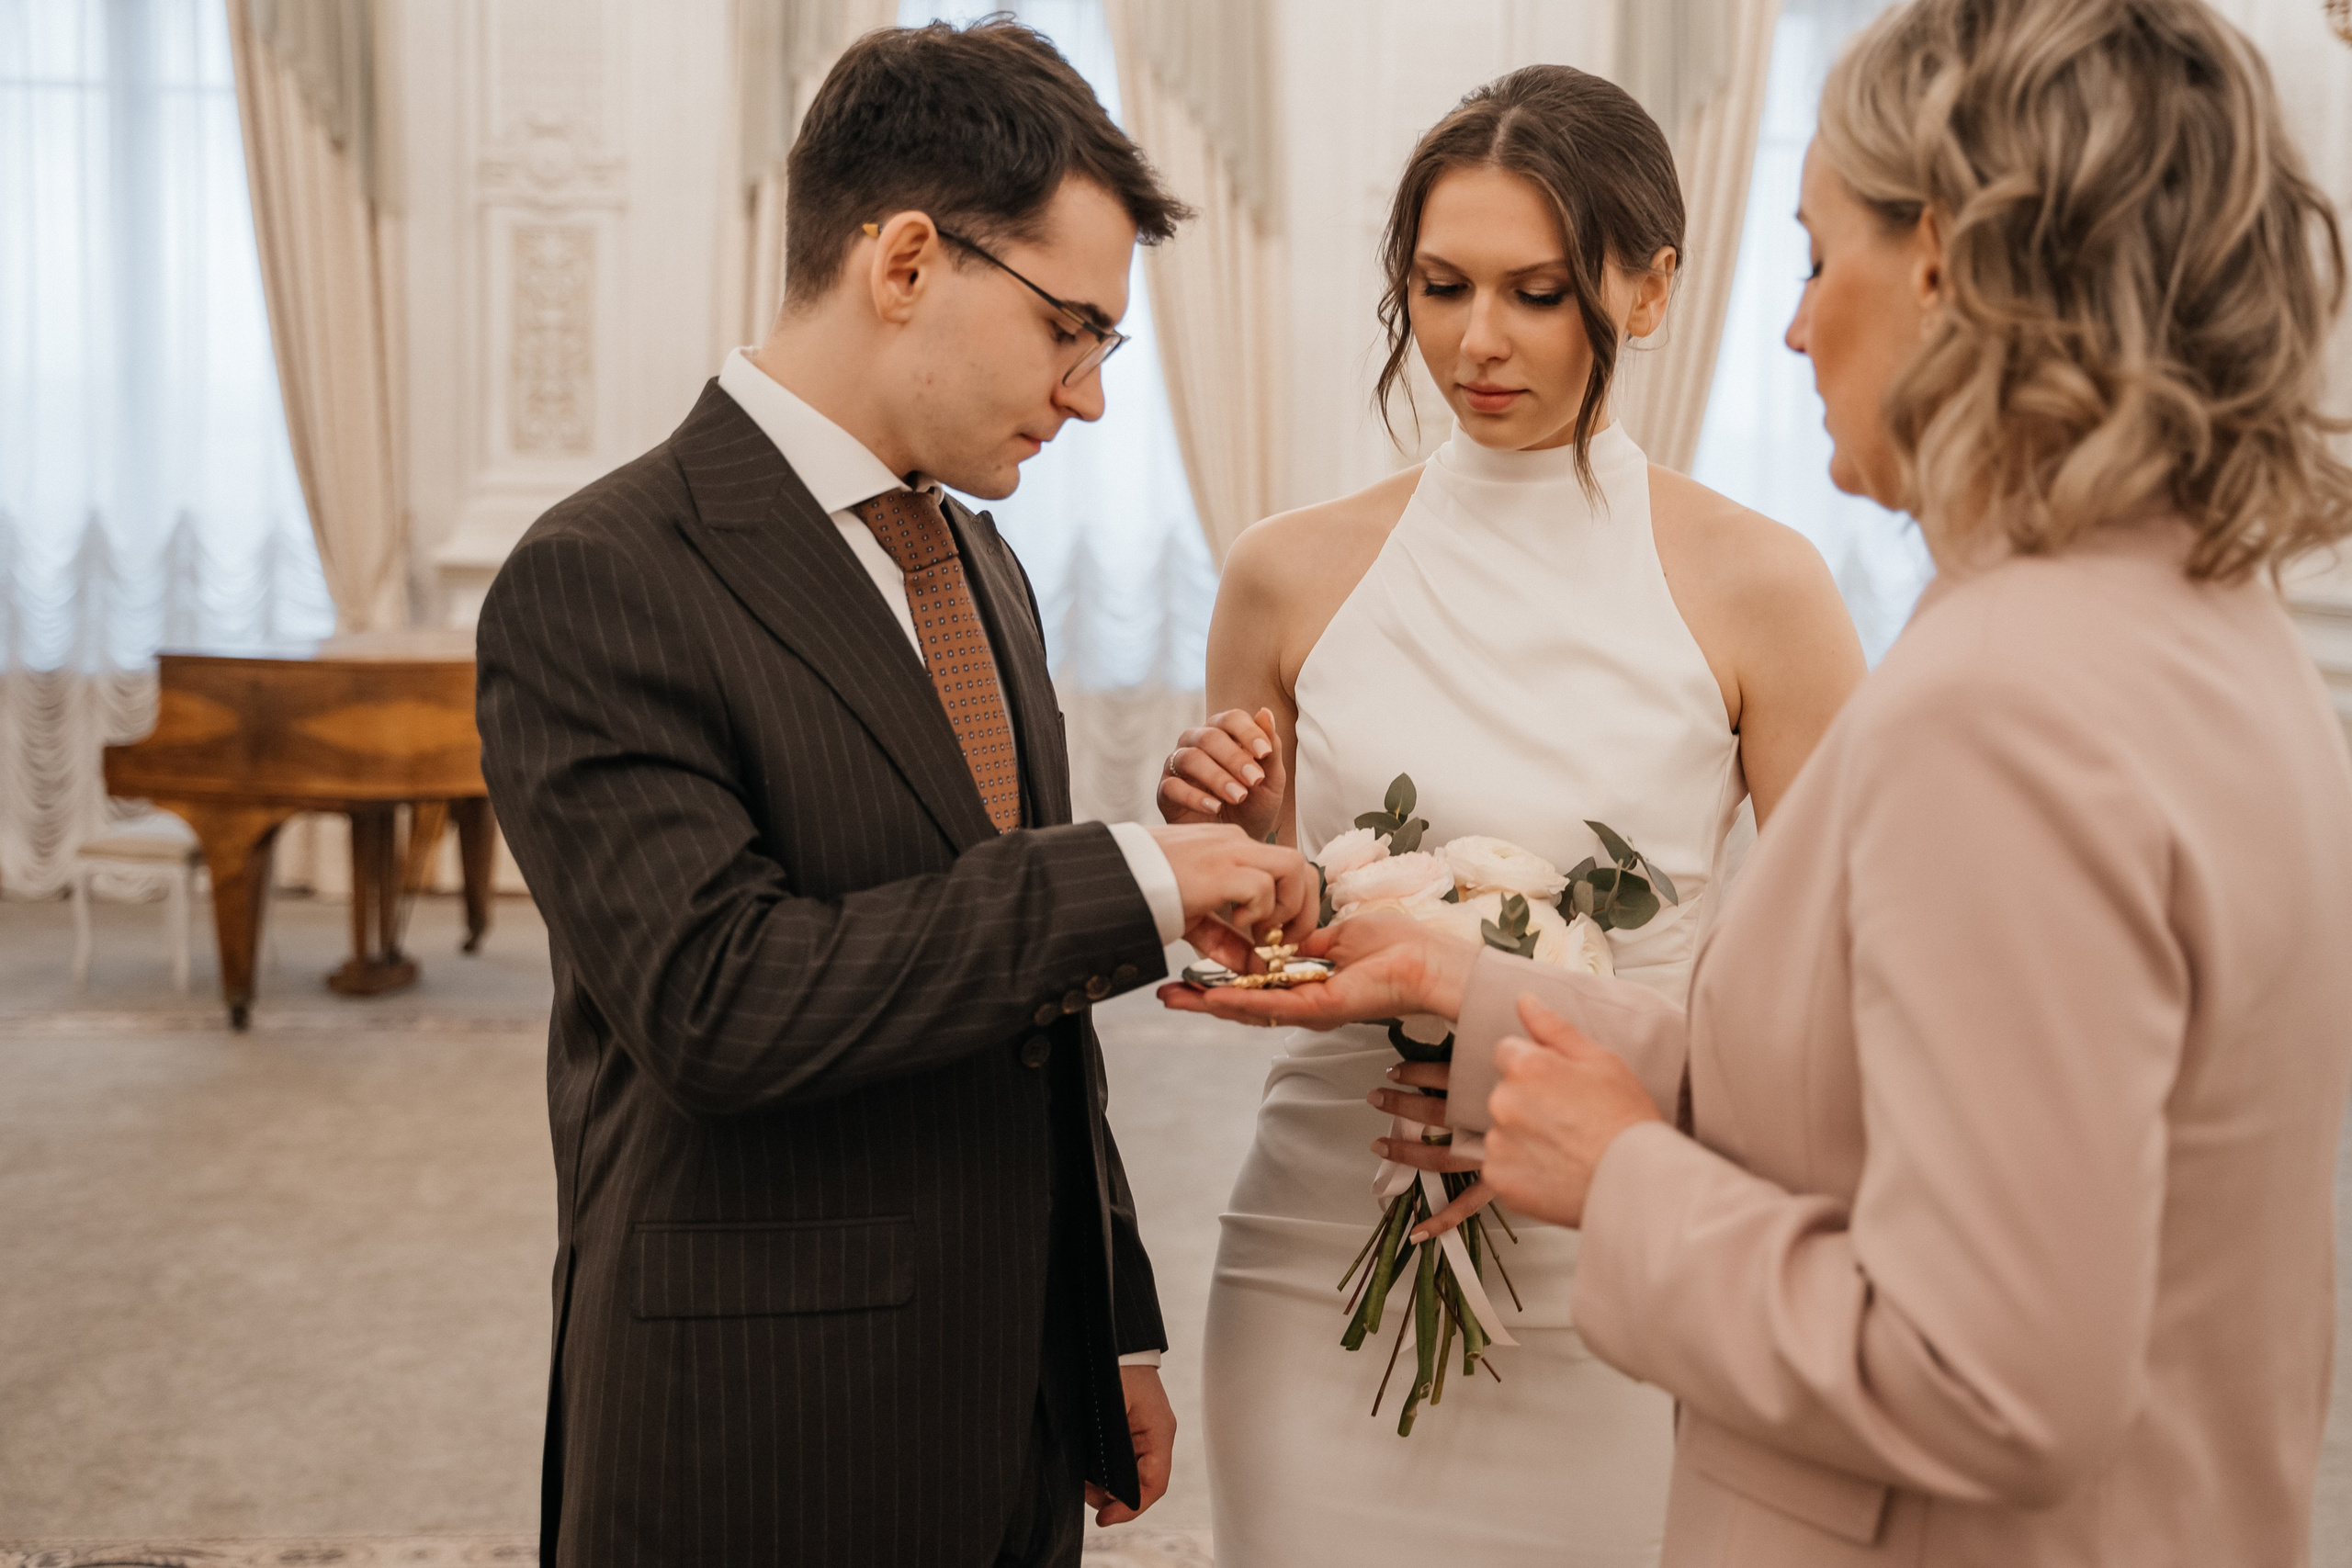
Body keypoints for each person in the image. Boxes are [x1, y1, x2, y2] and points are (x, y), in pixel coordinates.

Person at [1170, 0, 2352, 1562]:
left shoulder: (2008, 703)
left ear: (1945, 262)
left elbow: (1996, 1363)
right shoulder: (2224, 633)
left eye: (1809, 252)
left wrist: (1622, 1181)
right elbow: (1887, 1096)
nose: (1792, 326)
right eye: (1443, 287)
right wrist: (1486, 1000)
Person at [474, 20, 1314, 1568]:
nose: (1088, 397)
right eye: (1073, 327)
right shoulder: (601, 576)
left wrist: (1106, 1322)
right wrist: (1130, 876)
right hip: (761, 1419)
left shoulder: (978, 558)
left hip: (1012, 1409)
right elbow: (722, 1004)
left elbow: (1026, 1012)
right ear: (909, 260)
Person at [1155, 65, 1867, 1564]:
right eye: (1441, 285)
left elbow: (1839, 981)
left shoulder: (1761, 585)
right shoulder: (1286, 575)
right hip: (1319, 1233)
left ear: (1649, 285)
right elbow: (1262, 936)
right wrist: (1230, 843)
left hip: (1616, 1245)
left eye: (1538, 292)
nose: (1478, 342)